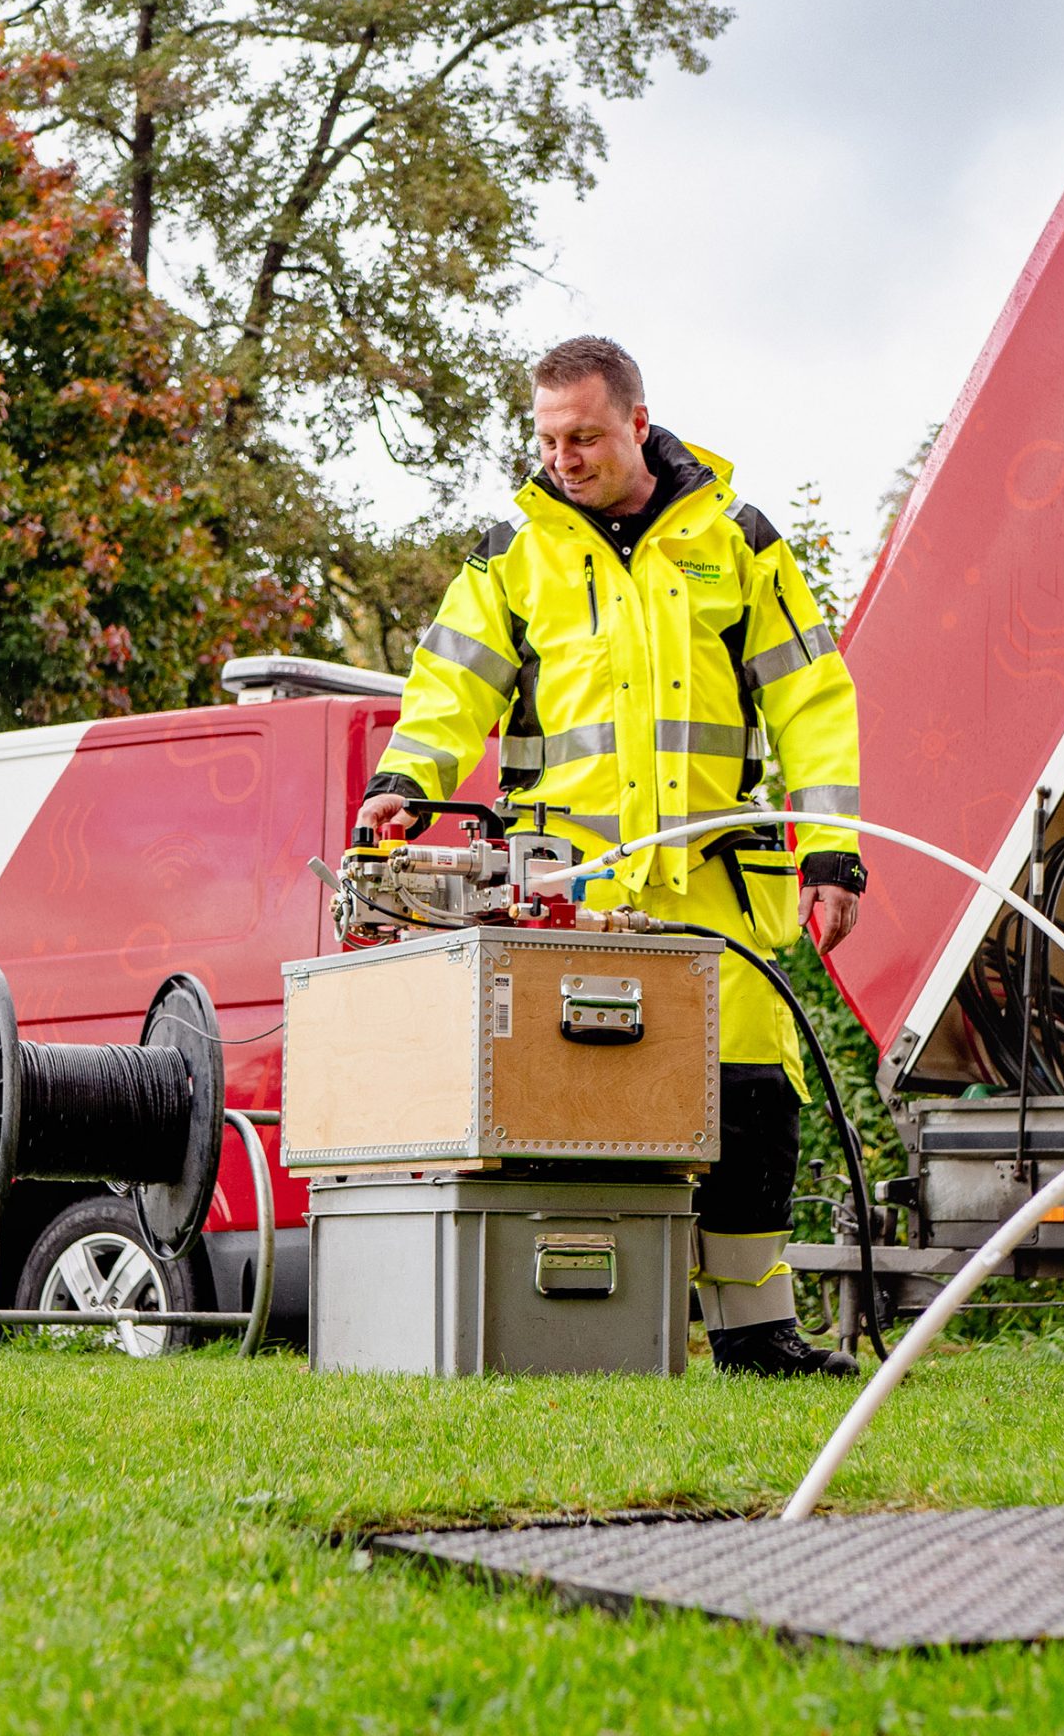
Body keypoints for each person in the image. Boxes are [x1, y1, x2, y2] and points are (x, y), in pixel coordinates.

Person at [355, 335, 867, 1377]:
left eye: (583, 436)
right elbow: (450, 690)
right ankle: (573, 1326)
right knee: (562, 1103)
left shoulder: (738, 544)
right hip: (565, 887)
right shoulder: (512, 554)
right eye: (547, 439)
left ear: (637, 423)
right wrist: (406, 780)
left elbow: (813, 704)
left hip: (714, 882)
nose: (564, 458)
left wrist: (833, 853)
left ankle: (754, 1332)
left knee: (753, 1099)